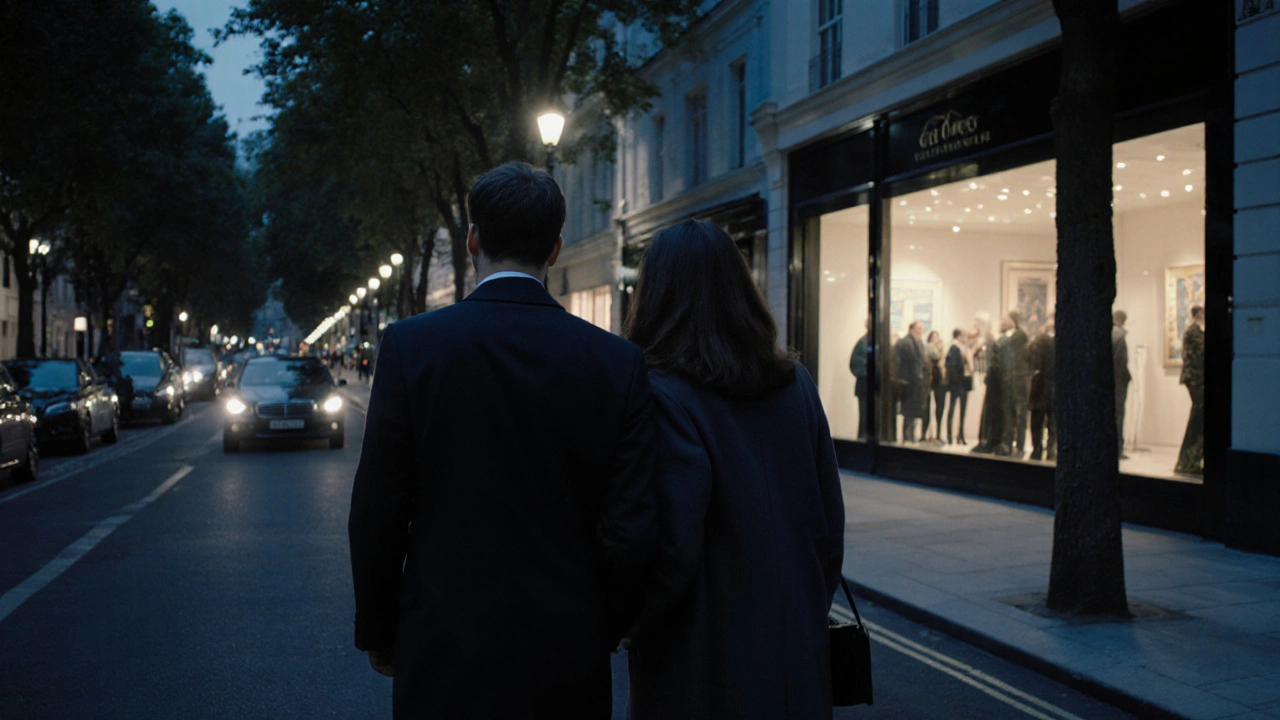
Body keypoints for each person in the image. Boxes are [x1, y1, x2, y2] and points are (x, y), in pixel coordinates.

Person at [348, 162, 659, 719]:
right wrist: (602, 625)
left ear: (473, 239)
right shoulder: (616, 362)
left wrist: (380, 628)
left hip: (444, 645)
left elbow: (379, 509)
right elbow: (631, 526)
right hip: (566, 651)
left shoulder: (412, 347)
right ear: (555, 249)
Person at [623, 219, 844, 720]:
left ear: (655, 295)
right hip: (794, 655)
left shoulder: (660, 394)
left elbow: (670, 546)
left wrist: (630, 621)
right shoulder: (797, 384)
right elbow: (829, 526)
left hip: (702, 661)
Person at [973, 314, 1014, 456]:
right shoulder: (998, 341)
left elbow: (997, 363)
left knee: (993, 413)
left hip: (997, 383)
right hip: (996, 382)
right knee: (993, 413)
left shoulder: (1000, 341)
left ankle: (990, 441)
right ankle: (989, 440)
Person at [1176, 305, 1205, 475]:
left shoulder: (1195, 331)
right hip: (1196, 379)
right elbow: (1200, 353)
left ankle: (1190, 461)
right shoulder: (1193, 331)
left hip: (1198, 378)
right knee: (1198, 418)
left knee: (1199, 418)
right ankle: (1188, 462)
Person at [1028, 317, 1056, 461]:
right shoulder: (1062, 342)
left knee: (1036, 422)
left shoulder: (1039, 341)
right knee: (1053, 423)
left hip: (1039, 388)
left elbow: (1034, 364)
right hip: (1055, 388)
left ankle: (1037, 449)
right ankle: (1051, 450)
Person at [1008, 310, 1031, 458]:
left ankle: (1017, 445)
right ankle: (1019, 445)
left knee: (1017, 413)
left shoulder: (1016, 335)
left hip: (1017, 378)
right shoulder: (1020, 335)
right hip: (1021, 377)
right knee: (1020, 414)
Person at [945, 328, 972, 445]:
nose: (965, 338)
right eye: (963, 336)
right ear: (959, 336)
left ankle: (960, 435)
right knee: (952, 409)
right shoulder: (954, 348)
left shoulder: (964, 348)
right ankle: (950, 436)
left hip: (964, 382)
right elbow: (952, 367)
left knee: (963, 411)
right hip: (957, 384)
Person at [1113, 309, 1132, 459]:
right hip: (1118, 383)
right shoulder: (1119, 335)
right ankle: (1117, 449)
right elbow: (1121, 362)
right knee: (1118, 415)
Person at [924, 330, 947, 444]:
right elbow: (935, 358)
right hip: (930, 380)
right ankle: (925, 434)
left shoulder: (941, 349)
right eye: (933, 337)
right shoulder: (929, 348)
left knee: (939, 408)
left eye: (937, 337)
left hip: (939, 381)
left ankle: (937, 435)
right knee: (927, 408)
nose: (936, 339)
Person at [849, 318, 870, 439]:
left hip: (873, 388)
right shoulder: (862, 343)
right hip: (865, 387)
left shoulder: (875, 343)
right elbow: (855, 365)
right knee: (865, 420)